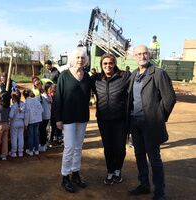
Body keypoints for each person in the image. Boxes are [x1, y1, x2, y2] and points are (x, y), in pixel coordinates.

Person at [127, 45, 176, 200]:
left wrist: (158, 116)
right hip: (135, 123)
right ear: (134, 56)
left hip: (151, 124)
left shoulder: (158, 73)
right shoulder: (133, 74)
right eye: (139, 54)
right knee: (139, 155)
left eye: (145, 53)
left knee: (154, 159)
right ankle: (144, 185)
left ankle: (159, 193)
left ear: (149, 55)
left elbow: (169, 98)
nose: (142, 56)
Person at [56, 47, 92, 193]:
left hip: (82, 117)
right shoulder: (64, 76)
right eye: (77, 57)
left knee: (78, 147)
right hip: (68, 118)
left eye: (83, 58)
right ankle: (65, 176)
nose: (80, 60)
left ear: (86, 60)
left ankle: (75, 173)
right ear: (73, 59)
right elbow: (58, 98)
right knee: (69, 147)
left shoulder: (87, 76)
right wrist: (58, 119)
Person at [92, 53, 131, 185]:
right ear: (101, 65)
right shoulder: (96, 79)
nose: (108, 66)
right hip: (103, 120)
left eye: (110, 63)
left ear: (114, 64)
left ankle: (117, 171)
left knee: (120, 148)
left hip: (120, 120)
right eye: (105, 63)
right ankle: (110, 171)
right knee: (108, 147)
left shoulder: (124, 77)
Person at [23, 89, 43, 156]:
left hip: (31, 121)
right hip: (37, 120)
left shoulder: (26, 102)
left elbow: (26, 115)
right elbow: (41, 110)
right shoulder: (36, 100)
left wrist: (25, 124)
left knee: (31, 136)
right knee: (36, 135)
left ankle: (31, 150)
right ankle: (36, 150)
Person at [9, 90, 25, 157]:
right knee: (21, 137)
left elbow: (11, 116)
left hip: (15, 122)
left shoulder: (14, 106)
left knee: (14, 138)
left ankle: (14, 152)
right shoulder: (23, 104)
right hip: (22, 122)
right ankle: (20, 152)